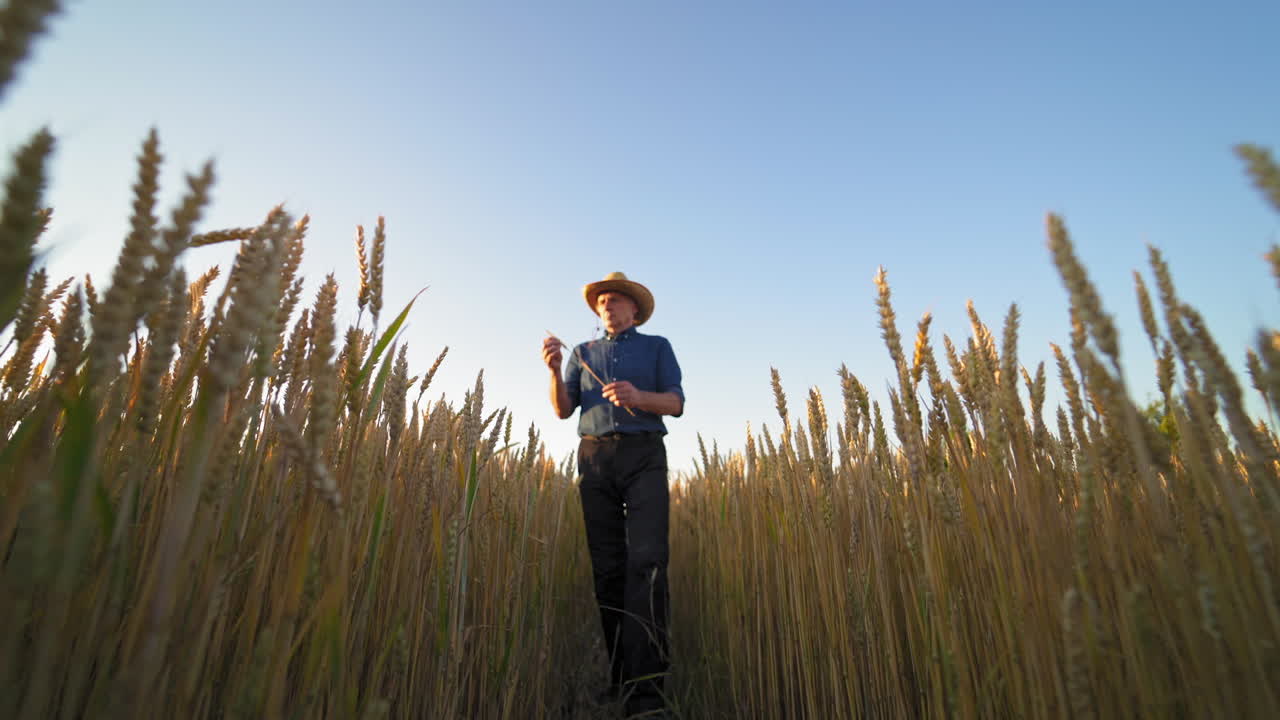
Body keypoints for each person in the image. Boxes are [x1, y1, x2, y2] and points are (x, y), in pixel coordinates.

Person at [541, 271, 684, 718]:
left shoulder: (657, 347)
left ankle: (649, 691)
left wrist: (640, 396)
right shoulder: (581, 354)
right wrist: (551, 369)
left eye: (616, 300)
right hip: (594, 459)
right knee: (607, 570)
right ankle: (620, 679)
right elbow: (563, 410)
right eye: (602, 300)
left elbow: (676, 403)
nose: (607, 305)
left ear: (634, 310)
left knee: (648, 564)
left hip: (644, 456)